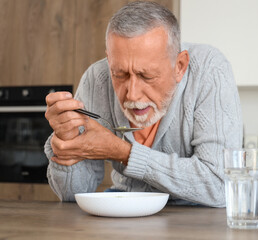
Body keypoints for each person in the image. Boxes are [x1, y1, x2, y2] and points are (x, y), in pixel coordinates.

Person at [44, 1, 242, 207]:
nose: (133, 95)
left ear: (180, 66)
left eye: (146, 76)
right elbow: (73, 194)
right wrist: (67, 141)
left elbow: (221, 185)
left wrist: (122, 152)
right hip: (123, 208)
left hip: (199, 216)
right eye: (119, 74)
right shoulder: (97, 79)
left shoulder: (210, 70)